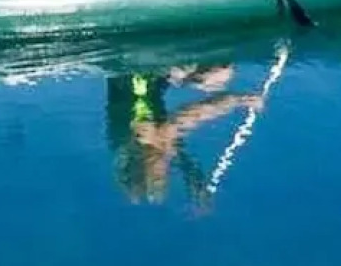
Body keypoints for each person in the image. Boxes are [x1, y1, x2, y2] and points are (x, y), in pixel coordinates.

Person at [105, 65, 261, 206]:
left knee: (215, 75)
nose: (165, 170)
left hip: (140, 66)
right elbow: (178, 154)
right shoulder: (148, 147)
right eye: (163, 177)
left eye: (159, 176)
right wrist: (195, 181)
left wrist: (238, 100)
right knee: (219, 74)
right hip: (151, 74)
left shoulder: (141, 137)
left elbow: (193, 115)